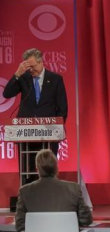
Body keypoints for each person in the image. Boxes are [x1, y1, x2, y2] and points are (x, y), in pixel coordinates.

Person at [3, 48, 68, 184]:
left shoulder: (55, 79)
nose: (30, 69)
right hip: (26, 132)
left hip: (49, 131)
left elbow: (62, 107)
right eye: (28, 66)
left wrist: (58, 127)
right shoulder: (24, 77)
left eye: (32, 66)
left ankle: (49, 198)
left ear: (41, 62)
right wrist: (17, 74)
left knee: (48, 168)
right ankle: (28, 196)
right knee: (27, 167)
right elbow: (6, 94)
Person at [15, 149, 92, 232]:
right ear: (56, 167)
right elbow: (86, 220)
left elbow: (20, 225)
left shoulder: (25, 191)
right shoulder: (74, 188)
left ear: (37, 169)